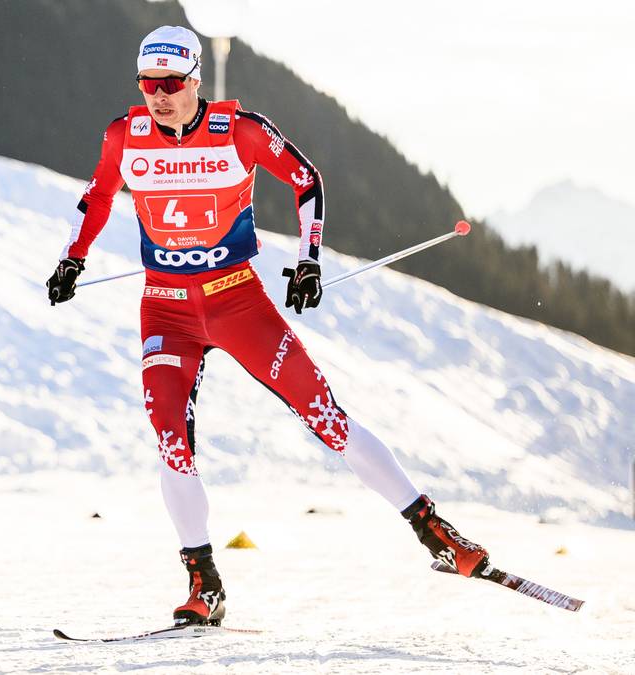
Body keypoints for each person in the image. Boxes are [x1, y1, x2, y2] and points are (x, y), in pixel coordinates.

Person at [46, 25, 490, 627]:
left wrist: (309, 260)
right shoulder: (124, 135)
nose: (159, 96)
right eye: (148, 84)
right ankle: (204, 583)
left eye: (171, 83)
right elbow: (99, 195)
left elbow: (306, 180)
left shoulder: (241, 130)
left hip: (236, 301)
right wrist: (73, 259)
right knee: (171, 440)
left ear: (195, 79)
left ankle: (433, 531)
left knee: (323, 414)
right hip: (166, 308)